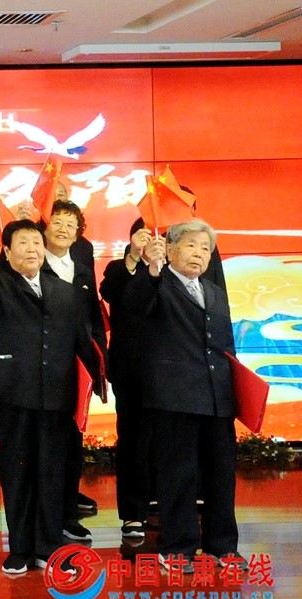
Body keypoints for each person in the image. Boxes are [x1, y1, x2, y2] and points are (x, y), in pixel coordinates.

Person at [0, 219, 98, 575]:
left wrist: (92, 385)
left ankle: (48, 548)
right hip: (12, 395)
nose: (32, 249)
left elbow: (81, 341)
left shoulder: (65, 290)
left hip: (56, 396)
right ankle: (20, 549)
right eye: (22, 242)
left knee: (51, 474)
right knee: (17, 472)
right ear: (7, 251)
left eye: (36, 242)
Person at [124, 219, 242, 573]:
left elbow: (225, 345)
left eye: (205, 248)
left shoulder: (214, 291)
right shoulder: (157, 284)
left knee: (221, 475)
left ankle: (223, 546)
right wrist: (151, 268)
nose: (199, 254)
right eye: (191, 245)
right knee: (179, 476)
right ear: (171, 249)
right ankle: (177, 549)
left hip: (217, 397)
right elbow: (133, 306)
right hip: (174, 398)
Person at [41, 201, 107, 544]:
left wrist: (99, 363)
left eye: (71, 224)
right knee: (45, 451)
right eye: (57, 221)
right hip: (41, 373)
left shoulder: (81, 269)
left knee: (72, 448)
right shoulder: (32, 265)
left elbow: (94, 318)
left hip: (77, 372)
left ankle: (68, 515)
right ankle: (44, 521)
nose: (64, 228)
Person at [99, 222, 155, 539]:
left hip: (170, 369)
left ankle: (164, 501)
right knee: (133, 440)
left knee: (170, 440)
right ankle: (133, 513)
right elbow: (109, 292)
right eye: (144, 235)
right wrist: (134, 256)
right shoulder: (121, 268)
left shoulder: (177, 269)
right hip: (130, 369)